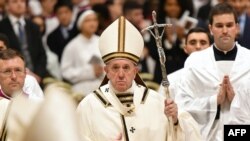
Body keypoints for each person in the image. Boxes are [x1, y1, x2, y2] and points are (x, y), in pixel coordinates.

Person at [76, 16, 201, 141]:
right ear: (106, 71)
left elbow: (188, 133)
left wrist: (175, 120)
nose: (120, 74)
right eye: (115, 68)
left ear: (135, 71)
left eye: (126, 68)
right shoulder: (89, 106)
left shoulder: (156, 102)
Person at [175, 3, 250, 141]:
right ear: (210, 29)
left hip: (241, 133)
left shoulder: (248, 60)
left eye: (229, 25)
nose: (225, 30)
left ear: (237, 27)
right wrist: (214, 101)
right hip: (206, 135)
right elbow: (182, 105)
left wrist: (235, 100)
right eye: (219, 26)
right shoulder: (195, 62)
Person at [0, 0, 48, 84]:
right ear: (7, 5)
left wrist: (38, 75)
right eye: (15, 2)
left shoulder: (34, 27)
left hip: (37, 76)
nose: (19, 4)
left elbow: (42, 54)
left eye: (22, 1)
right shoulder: (1, 27)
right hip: (11, 77)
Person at [158, 27, 212, 98]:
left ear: (211, 48)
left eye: (203, 43)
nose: (198, 46)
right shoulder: (170, 81)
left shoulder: (219, 78)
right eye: (193, 43)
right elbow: (159, 107)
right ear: (185, 49)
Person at [60, 9, 104, 96]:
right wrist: (89, 72)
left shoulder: (102, 42)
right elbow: (65, 72)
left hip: (102, 87)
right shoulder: (72, 46)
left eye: (94, 20)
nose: (92, 23)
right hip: (81, 90)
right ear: (80, 24)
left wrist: (103, 70)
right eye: (88, 20)